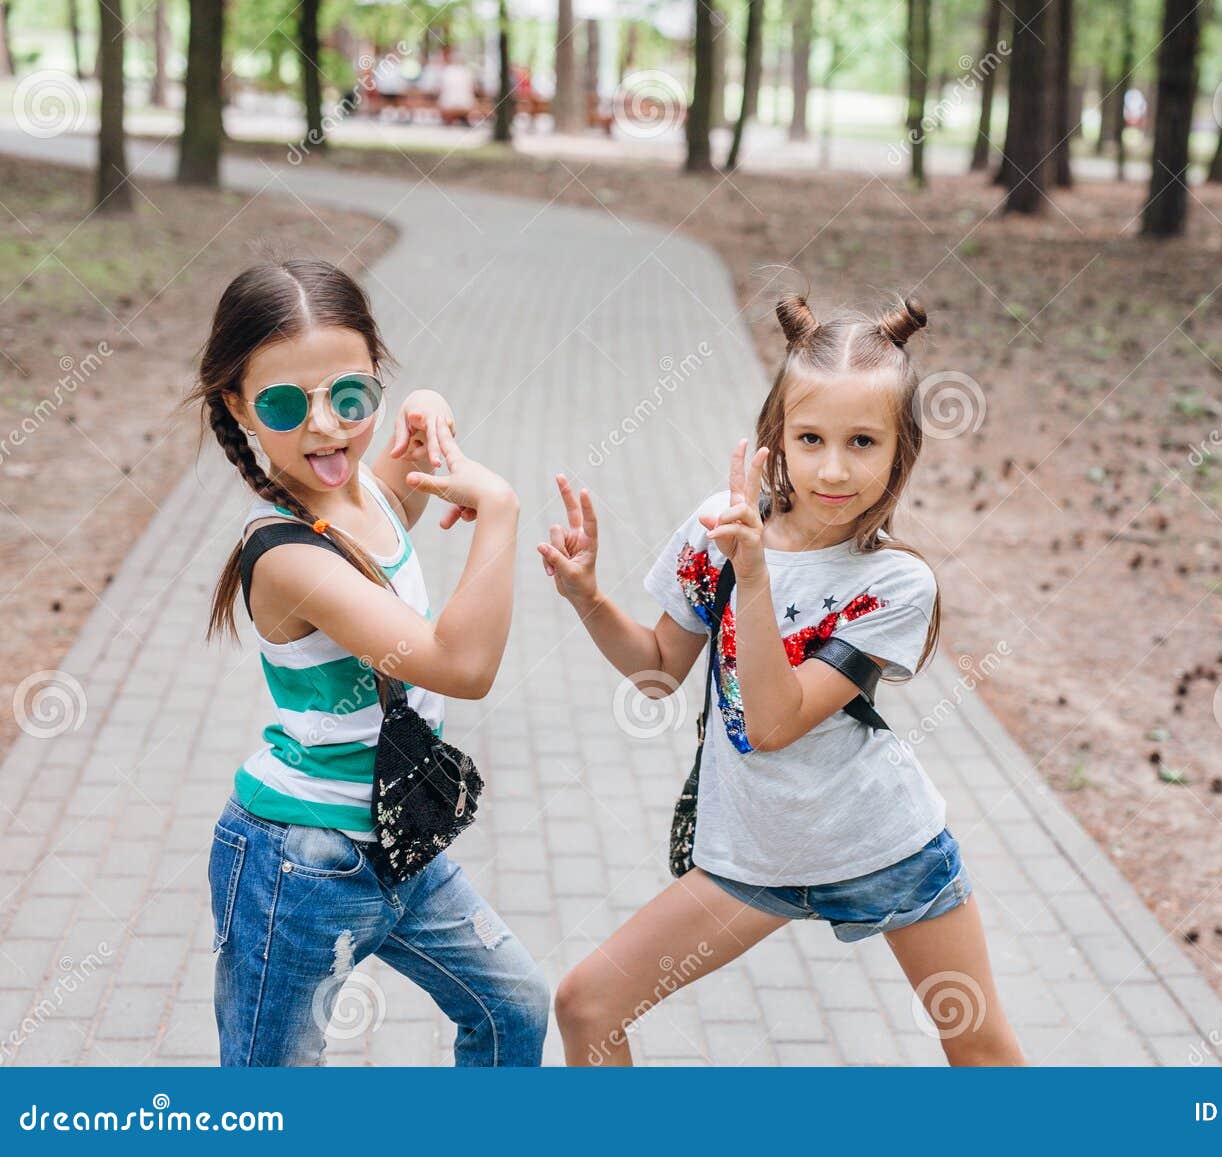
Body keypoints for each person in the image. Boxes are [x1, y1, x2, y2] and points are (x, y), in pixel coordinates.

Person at [538, 293, 1025, 1066]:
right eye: (812, 437)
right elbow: (661, 672)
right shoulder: (718, 530)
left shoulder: (894, 583)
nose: (835, 467)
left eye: (863, 441)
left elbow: (775, 720)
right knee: (587, 1004)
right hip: (755, 854)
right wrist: (588, 597)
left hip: (883, 843)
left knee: (981, 1048)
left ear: (901, 453)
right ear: (776, 441)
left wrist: (755, 576)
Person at [187, 258, 548, 1066]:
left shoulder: (364, 491)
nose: (325, 427)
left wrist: (427, 410)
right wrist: (498, 512)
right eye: (285, 403)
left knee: (513, 1008)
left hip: (399, 842)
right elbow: (461, 663)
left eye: (349, 397)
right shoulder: (285, 555)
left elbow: (409, 469)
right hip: (303, 863)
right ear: (239, 405)